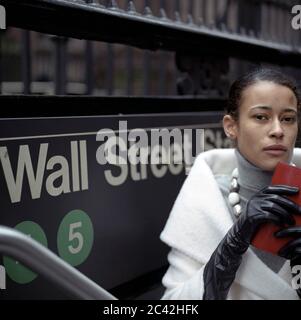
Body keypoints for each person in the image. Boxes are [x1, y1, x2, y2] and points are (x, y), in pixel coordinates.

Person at [160, 67, 301, 300]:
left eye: (288, 119)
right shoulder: (205, 201)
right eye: (261, 117)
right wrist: (232, 246)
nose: (278, 130)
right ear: (231, 126)